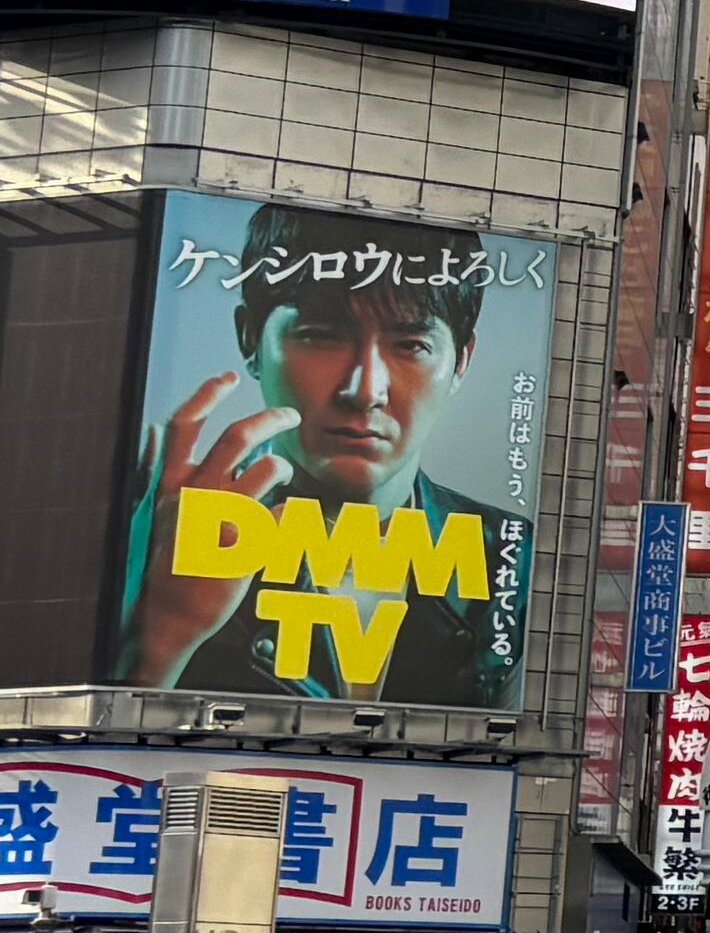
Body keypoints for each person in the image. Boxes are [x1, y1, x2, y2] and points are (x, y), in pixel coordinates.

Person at [108, 207, 535, 707]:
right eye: (319, 335)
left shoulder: (514, 558)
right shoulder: (152, 533)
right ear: (250, 337)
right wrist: (155, 641)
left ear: (461, 360)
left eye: (411, 344)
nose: (364, 390)